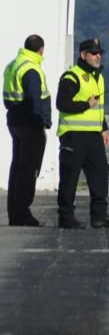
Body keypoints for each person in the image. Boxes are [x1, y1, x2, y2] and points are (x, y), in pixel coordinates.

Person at [55, 38, 109, 229]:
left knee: (100, 175)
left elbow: (98, 107)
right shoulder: (71, 76)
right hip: (73, 134)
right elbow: (62, 104)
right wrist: (86, 104)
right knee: (70, 178)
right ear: (83, 55)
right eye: (94, 53)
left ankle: (99, 216)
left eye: (99, 53)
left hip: (93, 135)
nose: (98, 56)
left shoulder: (98, 77)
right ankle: (66, 217)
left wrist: (103, 127)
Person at [3, 35, 51, 226]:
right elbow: (34, 99)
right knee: (29, 169)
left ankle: (14, 212)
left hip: (15, 120)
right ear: (40, 49)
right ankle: (22, 213)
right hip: (30, 123)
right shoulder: (31, 68)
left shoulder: (14, 64)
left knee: (18, 168)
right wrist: (43, 120)